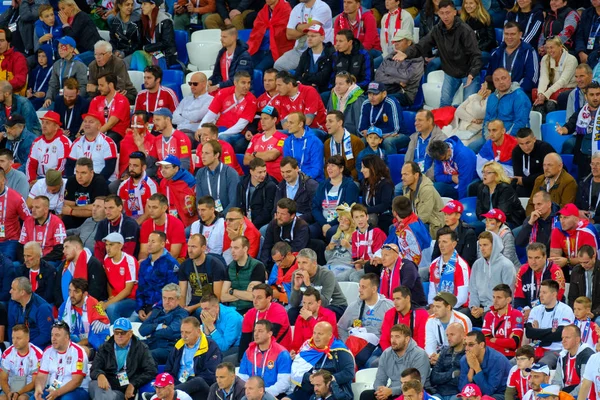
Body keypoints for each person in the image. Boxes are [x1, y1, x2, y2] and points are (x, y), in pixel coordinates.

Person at [396, 0, 482, 107]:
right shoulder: (437, 29)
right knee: (444, 104)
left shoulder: (465, 30)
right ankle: (445, 124)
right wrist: (406, 54)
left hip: (469, 72)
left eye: (448, 12)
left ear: (455, 12)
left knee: (469, 106)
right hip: (451, 72)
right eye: (442, 13)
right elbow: (423, 44)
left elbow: (476, 54)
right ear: (439, 14)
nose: (445, 16)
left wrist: (472, 74)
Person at [89, 317, 156, 400]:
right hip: (104, 384)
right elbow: (94, 368)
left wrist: (133, 384)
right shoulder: (105, 347)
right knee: (97, 386)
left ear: (130, 333)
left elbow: (151, 370)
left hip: (122, 390)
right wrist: (100, 375)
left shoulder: (141, 348)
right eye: (116, 332)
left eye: (123, 332)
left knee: (106, 397)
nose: (119, 335)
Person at [360, 324, 430, 400]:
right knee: (366, 395)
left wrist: (391, 391)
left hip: (413, 393)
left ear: (407, 339)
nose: (393, 340)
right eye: (391, 336)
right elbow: (379, 380)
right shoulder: (387, 353)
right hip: (391, 392)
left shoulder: (419, 355)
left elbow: (417, 385)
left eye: (397, 337)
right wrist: (380, 391)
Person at [337, 273, 393, 367]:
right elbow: (340, 327)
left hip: (379, 348)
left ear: (374, 289)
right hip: (358, 348)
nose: (359, 290)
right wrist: (346, 343)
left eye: (363, 287)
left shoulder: (388, 306)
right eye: (359, 286)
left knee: (373, 364)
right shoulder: (354, 306)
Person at [289, 322, 354, 400]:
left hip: (333, 392)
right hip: (309, 390)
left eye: (320, 334)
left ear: (330, 335)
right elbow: (299, 371)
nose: (316, 337)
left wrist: (327, 380)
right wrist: (309, 377)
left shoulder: (340, 350)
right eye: (314, 333)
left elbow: (349, 373)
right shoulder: (308, 348)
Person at [161, 316, 221, 400]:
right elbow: (168, 369)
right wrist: (174, 383)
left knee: (198, 381)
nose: (184, 336)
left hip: (199, 389)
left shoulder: (210, 346)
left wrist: (188, 381)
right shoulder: (179, 345)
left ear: (198, 331)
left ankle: (161, 395)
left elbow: (210, 374)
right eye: (182, 332)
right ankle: (168, 393)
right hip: (178, 383)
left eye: (188, 332)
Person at [200, 71, 257, 154]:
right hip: (220, 128)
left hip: (237, 133)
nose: (247, 86)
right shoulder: (223, 93)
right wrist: (201, 129)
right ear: (235, 83)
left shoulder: (251, 100)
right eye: (243, 83)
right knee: (203, 136)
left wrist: (219, 135)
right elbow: (210, 114)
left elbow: (240, 126)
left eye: (248, 83)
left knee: (223, 138)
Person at [32, 321, 89, 400]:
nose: (53, 338)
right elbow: (41, 375)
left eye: (57, 335)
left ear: (67, 337)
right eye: (52, 335)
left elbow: (76, 381)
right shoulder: (48, 351)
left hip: (77, 389)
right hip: (54, 388)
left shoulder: (78, 352)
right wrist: (38, 388)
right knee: (34, 398)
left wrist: (57, 393)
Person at [288, 248, 348, 323]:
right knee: (292, 313)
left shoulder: (327, 274)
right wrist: (296, 287)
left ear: (314, 263)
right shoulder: (296, 275)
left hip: (336, 306)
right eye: (299, 263)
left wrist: (308, 285)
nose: (300, 266)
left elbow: (324, 303)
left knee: (322, 314)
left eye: (304, 263)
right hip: (311, 306)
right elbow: (294, 304)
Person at [468, 232, 516, 325]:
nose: (482, 248)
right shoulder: (477, 264)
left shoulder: (506, 265)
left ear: (494, 246)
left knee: (487, 316)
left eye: (485, 245)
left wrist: (485, 309)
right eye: (480, 245)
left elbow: (508, 295)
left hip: (498, 308)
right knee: (462, 317)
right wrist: (474, 307)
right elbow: (473, 290)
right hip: (479, 307)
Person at [273, 0, 334, 72]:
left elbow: (313, 27)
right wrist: (307, 29)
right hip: (299, 51)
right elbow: (289, 35)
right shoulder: (297, 8)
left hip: (319, 52)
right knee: (278, 65)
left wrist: (298, 26)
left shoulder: (322, 7)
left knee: (308, 71)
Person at [526, 279, 575, 368]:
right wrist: (551, 331)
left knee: (539, 367)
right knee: (513, 364)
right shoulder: (535, 310)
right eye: (540, 292)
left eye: (544, 292)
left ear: (554, 294)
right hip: (535, 349)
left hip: (556, 349)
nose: (540, 295)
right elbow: (529, 333)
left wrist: (537, 332)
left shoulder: (565, 310)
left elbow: (559, 335)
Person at [311, 155, 360, 241]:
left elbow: (348, 210)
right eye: (328, 165)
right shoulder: (323, 185)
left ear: (341, 169)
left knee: (332, 231)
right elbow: (315, 207)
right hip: (323, 221)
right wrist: (324, 224)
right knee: (309, 231)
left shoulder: (350, 186)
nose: (329, 168)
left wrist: (330, 225)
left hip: (341, 222)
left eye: (333, 166)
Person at [238, 320, 292, 397]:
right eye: (255, 331)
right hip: (251, 395)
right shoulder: (248, 351)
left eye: (260, 331)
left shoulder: (282, 353)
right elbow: (242, 378)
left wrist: (263, 394)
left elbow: (284, 383)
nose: (256, 334)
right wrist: (251, 392)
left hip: (274, 395)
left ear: (270, 334)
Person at [57, 278, 111, 354]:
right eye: (70, 291)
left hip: (90, 345)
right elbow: (59, 329)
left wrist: (78, 345)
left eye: (76, 292)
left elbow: (99, 336)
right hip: (71, 342)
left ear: (85, 294)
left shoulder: (94, 306)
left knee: (82, 351)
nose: (71, 295)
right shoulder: (65, 306)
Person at [139, 283, 188, 364]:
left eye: (170, 299)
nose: (166, 302)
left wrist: (152, 332)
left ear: (178, 299)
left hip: (169, 348)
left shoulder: (182, 314)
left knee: (149, 354)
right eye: (164, 298)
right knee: (131, 347)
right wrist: (158, 326)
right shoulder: (156, 311)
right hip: (151, 343)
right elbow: (142, 330)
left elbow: (171, 332)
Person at [178, 234, 227, 314]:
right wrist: (182, 310)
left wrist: (192, 308)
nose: (189, 250)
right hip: (193, 304)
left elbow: (216, 297)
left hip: (210, 305)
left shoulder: (215, 265)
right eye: (189, 246)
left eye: (194, 247)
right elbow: (182, 295)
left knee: (200, 312)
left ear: (203, 248)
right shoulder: (185, 265)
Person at [239, 284, 292, 358]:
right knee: (227, 360)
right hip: (256, 352)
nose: (255, 301)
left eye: (259, 298)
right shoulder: (249, 314)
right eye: (253, 297)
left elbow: (269, 339)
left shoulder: (278, 311)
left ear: (269, 298)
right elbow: (245, 340)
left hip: (279, 354)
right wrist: (242, 360)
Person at [487, 22, 539, 97]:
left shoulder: (529, 52)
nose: (509, 37)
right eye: (506, 34)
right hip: (498, 93)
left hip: (520, 94)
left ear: (520, 35)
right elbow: (489, 75)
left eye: (513, 34)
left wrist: (513, 91)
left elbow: (532, 78)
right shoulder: (496, 52)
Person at [136, 231, 179, 320]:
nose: (149, 244)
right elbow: (140, 288)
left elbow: (173, 291)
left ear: (162, 244)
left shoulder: (171, 264)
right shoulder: (144, 264)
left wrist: (155, 311)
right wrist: (140, 308)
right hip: (144, 308)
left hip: (163, 309)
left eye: (153, 242)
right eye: (148, 241)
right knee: (130, 326)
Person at [65, 111, 118, 182]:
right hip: (79, 179)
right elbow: (69, 165)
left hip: (101, 180)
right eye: (85, 121)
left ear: (99, 126)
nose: (87, 124)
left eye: (91, 122)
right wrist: (73, 180)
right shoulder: (76, 142)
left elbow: (109, 168)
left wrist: (94, 182)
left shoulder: (108, 142)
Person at [458, 330, 511, 399]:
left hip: (501, 394)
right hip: (476, 394)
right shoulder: (464, 360)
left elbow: (488, 391)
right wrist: (471, 370)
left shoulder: (497, 360)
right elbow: (462, 390)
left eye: (471, 345)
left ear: (481, 345)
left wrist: (477, 368)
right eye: (465, 344)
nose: (466, 348)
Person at [220, 236, 267, 315]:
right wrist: (244, 294)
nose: (232, 251)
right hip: (232, 310)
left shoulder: (257, 266)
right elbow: (223, 297)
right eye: (231, 248)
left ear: (245, 249)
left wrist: (232, 291)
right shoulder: (230, 267)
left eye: (236, 248)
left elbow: (252, 297)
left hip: (250, 310)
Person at [550, 203, 598, 277]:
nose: (562, 221)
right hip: (568, 268)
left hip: (590, 268)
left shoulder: (587, 231)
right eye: (561, 217)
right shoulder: (557, 230)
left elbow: (589, 259)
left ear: (576, 219)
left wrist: (567, 261)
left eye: (566, 218)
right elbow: (554, 258)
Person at [514, 243, 565, 313]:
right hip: (528, 313)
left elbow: (555, 298)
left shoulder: (555, 271)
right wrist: (523, 311)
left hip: (552, 312)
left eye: (537, 258)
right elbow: (518, 298)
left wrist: (533, 312)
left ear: (545, 257)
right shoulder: (523, 270)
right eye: (530, 258)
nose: (533, 262)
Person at [358, 82, 406, 155]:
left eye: (375, 94)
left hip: (400, 134)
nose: (372, 97)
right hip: (377, 135)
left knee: (387, 141)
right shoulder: (366, 103)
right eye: (369, 94)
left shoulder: (391, 103)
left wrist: (374, 134)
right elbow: (361, 128)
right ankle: (361, 165)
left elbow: (395, 129)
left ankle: (390, 165)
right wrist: (375, 135)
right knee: (359, 142)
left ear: (384, 94)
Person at [533, 36, 577, 117]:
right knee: (538, 106)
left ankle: (555, 127)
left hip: (566, 91)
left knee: (550, 105)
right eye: (547, 48)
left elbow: (563, 81)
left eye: (552, 47)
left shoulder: (571, 60)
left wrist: (546, 95)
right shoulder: (545, 59)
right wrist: (540, 94)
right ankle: (540, 128)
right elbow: (543, 78)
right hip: (552, 91)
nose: (549, 51)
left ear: (560, 47)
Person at [100, 232, 138, 322]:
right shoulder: (106, 259)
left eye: (111, 245)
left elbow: (128, 290)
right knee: (96, 307)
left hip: (131, 299)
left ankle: (117, 332)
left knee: (111, 308)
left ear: (120, 245)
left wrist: (108, 303)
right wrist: (110, 296)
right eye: (106, 245)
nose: (108, 248)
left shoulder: (129, 261)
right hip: (116, 297)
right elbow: (108, 281)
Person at [428, 228, 471, 309]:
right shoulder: (434, 264)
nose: (441, 245)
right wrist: (432, 305)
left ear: (454, 244)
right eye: (439, 242)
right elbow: (432, 290)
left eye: (445, 242)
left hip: (456, 307)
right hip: (438, 306)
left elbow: (462, 297)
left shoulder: (461, 266)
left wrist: (444, 308)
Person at [62, 157, 110, 230]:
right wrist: (87, 207)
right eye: (77, 172)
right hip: (74, 218)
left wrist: (72, 211)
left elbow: (95, 212)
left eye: (83, 173)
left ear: (91, 172)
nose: (79, 176)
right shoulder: (72, 181)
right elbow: (66, 207)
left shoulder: (99, 182)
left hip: (92, 219)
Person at [246, 0, 294, 71]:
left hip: (277, 49)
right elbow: (257, 28)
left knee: (258, 69)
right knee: (245, 67)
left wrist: (269, 28)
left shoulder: (286, 9)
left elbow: (282, 33)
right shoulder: (264, 10)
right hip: (261, 48)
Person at [26, 111, 72, 185]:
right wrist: (31, 180)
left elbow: (63, 166)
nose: (43, 125)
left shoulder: (63, 142)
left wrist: (48, 181)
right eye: (43, 122)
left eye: (47, 123)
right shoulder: (37, 141)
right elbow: (31, 163)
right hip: (39, 178)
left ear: (56, 127)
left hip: (57, 180)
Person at [195, 140, 240, 214]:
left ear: (216, 155)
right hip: (207, 219)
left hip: (226, 219)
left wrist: (220, 218)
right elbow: (199, 201)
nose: (202, 156)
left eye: (207, 153)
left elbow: (234, 202)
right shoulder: (200, 173)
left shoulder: (230, 173)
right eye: (202, 152)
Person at [86, 73, 132, 146]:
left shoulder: (121, 100)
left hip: (116, 132)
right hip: (99, 131)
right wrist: (80, 134)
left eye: (102, 85)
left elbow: (111, 123)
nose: (98, 88)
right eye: (99, 85)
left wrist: (94, 136)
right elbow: (89, 119)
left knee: (103, 143)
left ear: (111, 85)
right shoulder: (96, 100)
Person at [42, 36, 87, 108]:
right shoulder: (56, 64)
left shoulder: (79, 65)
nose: (60, 50)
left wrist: (75, 101)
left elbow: (82, 87)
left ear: (71, 49)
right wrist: (48, 98)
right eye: (59, 47)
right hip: (58, 99)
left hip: (72, 100)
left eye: (63, 47)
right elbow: (53, 84)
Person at [0, 324, 43, 400]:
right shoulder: (7, 353)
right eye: (13, 338)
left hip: (29, 388)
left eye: (18, 338)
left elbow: (34, 382)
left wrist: (18, 393)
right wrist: (8, 392)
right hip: (10, 387)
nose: (14, 341)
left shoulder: (37, 354)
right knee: (2, 398)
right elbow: (3, 379)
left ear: (27, 338)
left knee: (22, 399)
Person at [402, 161, 445, 237]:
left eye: (406, 174)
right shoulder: (406, 188)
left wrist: (405, 224)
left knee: (406, 230)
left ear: (416, 175)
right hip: (415, 222)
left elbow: (423, 217)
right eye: (402, 174)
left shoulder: (426, 190)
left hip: (432, 225)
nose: (402, 178)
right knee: (394, 227)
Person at [138, 193, 187, 260]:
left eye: (155, 207)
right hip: (152, 260)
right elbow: (143, 252)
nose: (151, 210)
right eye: (149, 207)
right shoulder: (146, 225)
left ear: (164, 208)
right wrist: (144, 263)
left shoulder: (176, 223)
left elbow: (174, 254)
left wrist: (156, 264)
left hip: (174, 262)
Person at [7, 278, 52, 350]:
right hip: (18, 347)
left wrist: (27, 347)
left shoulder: (42, 308)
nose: (10, 291)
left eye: (13, 289)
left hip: (37, 348)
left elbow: (45, 335)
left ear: (22, 292)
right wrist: (14, 345)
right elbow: (11, 327)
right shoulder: (12, 303)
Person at [481, 284, 524, 358]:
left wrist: (494, 340)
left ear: (508, 300)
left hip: (510, 356)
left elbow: (514, 343)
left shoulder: (517, 315)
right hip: (491, 355)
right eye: (494, 297)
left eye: (499, 298)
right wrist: (505, 344)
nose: (495, 301)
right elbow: (485, 342)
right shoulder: (489, 315)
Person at [380, 286, 429, 351]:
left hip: (415, 354)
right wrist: (391, 355)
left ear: (407, 298)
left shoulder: (421, 314)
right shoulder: (389, 314)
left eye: (398, 299)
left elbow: (422, 341)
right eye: (393, 299)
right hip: (392, 352)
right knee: (372, 360)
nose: (395, 302)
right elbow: (384, 339)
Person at [19, 196, 66, 263]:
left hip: (49, 260)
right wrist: (25, 260)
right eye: (32, 207)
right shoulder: (27, 221)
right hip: (30, 260)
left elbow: (60, 250)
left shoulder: (57, 223)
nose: (33, 210)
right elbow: (21, 246)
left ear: (46, 209)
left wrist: (39, 262)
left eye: (37, 207)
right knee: (15, 266)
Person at [244, 107, 286, 182]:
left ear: (274, 120)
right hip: (255, 177)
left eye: (266, 118)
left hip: (273, 178)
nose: (262, 122)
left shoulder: (282, 138)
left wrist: (254, 154)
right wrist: (264, 155)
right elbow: (246, 160)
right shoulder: (256, 137)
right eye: (261, 119)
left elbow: (271, 156)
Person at [290, 287, 338, 352]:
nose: (306, 307)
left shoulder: (329, 315)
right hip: (307, 353)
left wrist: (310, 319)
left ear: (319, 303)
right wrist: (293, 351)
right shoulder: (301, 317)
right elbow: (297, 343)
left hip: (327, 352)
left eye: (310, 303)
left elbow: (327, 340)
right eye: (304, 303)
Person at [197, 294, 243, 363]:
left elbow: (224, 347)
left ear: (216, 307)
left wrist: (210, 326)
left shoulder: (232, 318)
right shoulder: (207, 315)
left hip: (236, 347)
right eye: (202, 309)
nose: (203, 312)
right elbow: (207, 343)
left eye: (206, 309)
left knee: (214, 359)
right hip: (220, 345)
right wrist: (206, 328)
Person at [207, 26, 254, 93]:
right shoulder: (221, 53)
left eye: (224, 37)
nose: (221, 39)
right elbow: (217, 75)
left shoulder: (244, 56)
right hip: (223, 90)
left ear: (234, 37)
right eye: (221, 36)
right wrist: (210, 81)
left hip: (240, 92)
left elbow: (239, 80)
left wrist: (218, 86)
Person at [432, 200, 478, 267]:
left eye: (449, 214)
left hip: (459, 270)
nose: (446, 217)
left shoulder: (468, 233)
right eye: (445, 214)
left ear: (458, 216)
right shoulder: (441, 232)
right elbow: (435, 256)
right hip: (441, 267)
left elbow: (467, 260)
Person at [551, 324, 594, 395]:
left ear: (577, 340)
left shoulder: (587, 355)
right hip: (565, 393)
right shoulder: (562, 356)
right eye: (562, 338)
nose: (563, 341)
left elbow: (585, 385)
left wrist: (567, 397)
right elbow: (557, 381)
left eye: (567, 337)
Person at [273, 157, 318, 224]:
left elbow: (315, 211)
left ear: (297, 169)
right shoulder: (280, 186)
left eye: (288, 171)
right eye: (282, 172)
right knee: (263, 230)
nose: (285, 175)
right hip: (283, 220)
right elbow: (276, 208)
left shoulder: (310, 185)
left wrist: (297, 219)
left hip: (303, 221)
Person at [512, 128, 555, 197]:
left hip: (545, 183)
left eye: (528, 143)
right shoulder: (516, 151)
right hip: (526, 185)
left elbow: (548, 173)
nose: (525, 147)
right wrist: (524, 181)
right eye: (521, 144)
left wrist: (525, 180)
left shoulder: (545, 148)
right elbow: (518, 177)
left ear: (534, 139)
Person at [281, 112, 325, 181]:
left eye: (291, 123)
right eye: (287, 122)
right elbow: (286, 165)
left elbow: (316, 169)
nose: (288, 125)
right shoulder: (287, 142)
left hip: (312, 181)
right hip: (293, 180)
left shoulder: (315, 142)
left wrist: (301, 180)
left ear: (300, 124)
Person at [93, 195, 139, 260]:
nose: (107, 212)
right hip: (107, 263)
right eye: (105, 208)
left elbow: (128, 251)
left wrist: (114, 264)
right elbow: (98, 249)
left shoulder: (130, 224)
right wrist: (101, 266)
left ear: (120, 208)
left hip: (125, 263)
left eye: (111, 208)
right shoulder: (102, 224)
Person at [236, 158, 277, 230]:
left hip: (262, 224)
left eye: (264, 171)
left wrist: (252, 224)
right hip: (245, 221)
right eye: (259, 172)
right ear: (251, 171)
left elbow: (267, 211)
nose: (263, 175)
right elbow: (240, 205)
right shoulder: (242, 184)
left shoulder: (270, 186)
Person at [116, 151, 158, 223]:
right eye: (130, 165)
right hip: (128, 222)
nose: (131, 168)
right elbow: (119, 209)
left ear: (143, 167)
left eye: (135, 166)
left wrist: (134, 225)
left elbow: (149, 213)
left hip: (146, 223)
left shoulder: (151, 186)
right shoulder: (123, 185)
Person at [405, 110, 446, 181]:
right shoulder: (413, 138)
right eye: (415, 120)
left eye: (420, 120)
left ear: (429, 121)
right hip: (413, 178)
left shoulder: (441, 139)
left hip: (430, 179)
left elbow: (438, 165)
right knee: (397, 190)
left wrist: (422, 180)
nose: (415, 123)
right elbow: (407, 160)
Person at [156, 156, 197, 228]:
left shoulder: (188, 181)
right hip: (171, 220)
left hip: (189, 222)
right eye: (161, 167)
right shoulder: (163, 182)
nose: (163, 170)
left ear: (176, 168)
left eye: (166, 167)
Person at [294, 25, 335, 94]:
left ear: (322, 38)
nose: (309, 39)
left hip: (324, 91)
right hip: (307, 89)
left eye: (313, 36)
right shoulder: (306, 54)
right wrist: (309, 84)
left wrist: (305, 76)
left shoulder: (330, 54)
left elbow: (323, 78)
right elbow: (297, 75)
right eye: (308, 36)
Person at [324, 111, 365, 180]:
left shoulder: (356, 141)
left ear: (340, 123)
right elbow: (326, 166)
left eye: (330, 121)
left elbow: (359, 166)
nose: (326, 124)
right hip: (333, 180)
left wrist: (345, 180)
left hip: (351, 180)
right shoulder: (327, 144)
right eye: (326, 121)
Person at [430, 322, 467, 399]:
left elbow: (462, 380)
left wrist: (443, 377)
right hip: (440, 392)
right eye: (447, 335)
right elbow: (434, 377)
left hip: (458, 393)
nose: (449, 338)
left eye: (452, 334)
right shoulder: (444, 351)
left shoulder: (467, 353)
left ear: (463, 335)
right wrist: (452, 374)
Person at [359, 155, 394, 231]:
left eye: (364, 167)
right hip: (369, 215)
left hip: (383, 217)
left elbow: (384, 205)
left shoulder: (385, 183)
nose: (361, 170)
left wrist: (365, 210)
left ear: (373, 168)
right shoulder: (365, 182)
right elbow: (365, 203)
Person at [0, 168, 28, 261]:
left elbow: (28, 220)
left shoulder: (16, 198)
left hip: (10, 241)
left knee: (4, 263)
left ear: (4, 180)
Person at [172, 72, 211, 136]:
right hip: (178, 131)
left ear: (204, 84)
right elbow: (174, 118)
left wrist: (182, 115)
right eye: (190, 84)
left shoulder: (210, 100)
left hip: (195, 132)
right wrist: (189, 121)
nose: (192, 86)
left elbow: (195, 117)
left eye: (195, 84)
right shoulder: (186, 99)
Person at [568, 245, 600, 319]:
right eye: (581, 262)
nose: (583, 265)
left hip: (597, 311)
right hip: (580, 311)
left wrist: (594, 313)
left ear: (594, 256)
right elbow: (572, 297)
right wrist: (575, 312)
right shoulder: (576, 270)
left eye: (586, 262)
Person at [107, 0, 141, 65]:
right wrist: (115, 51)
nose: (130, 7)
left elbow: (138, 44)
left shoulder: (138, 21)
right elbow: (113, 40)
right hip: (118, 52)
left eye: (132, 5)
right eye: (127, 5)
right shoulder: (113, 21)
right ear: (119, 6)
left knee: (119, 65)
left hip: (133, 52)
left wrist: (124, 53)